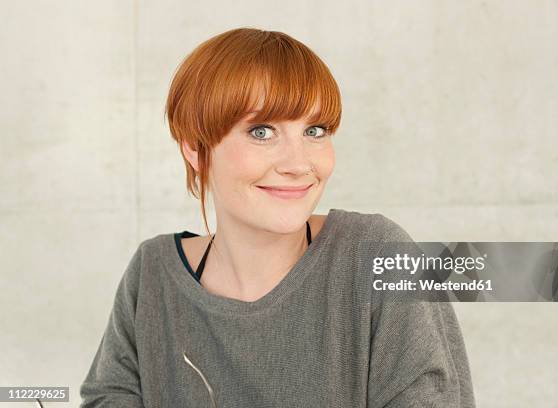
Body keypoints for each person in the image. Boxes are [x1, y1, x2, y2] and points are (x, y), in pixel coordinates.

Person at [79, 27, 476, 407]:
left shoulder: (377, 253)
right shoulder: (152, 276)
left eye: (315, 130)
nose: (298, 164)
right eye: (262, 132)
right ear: (195, 149)